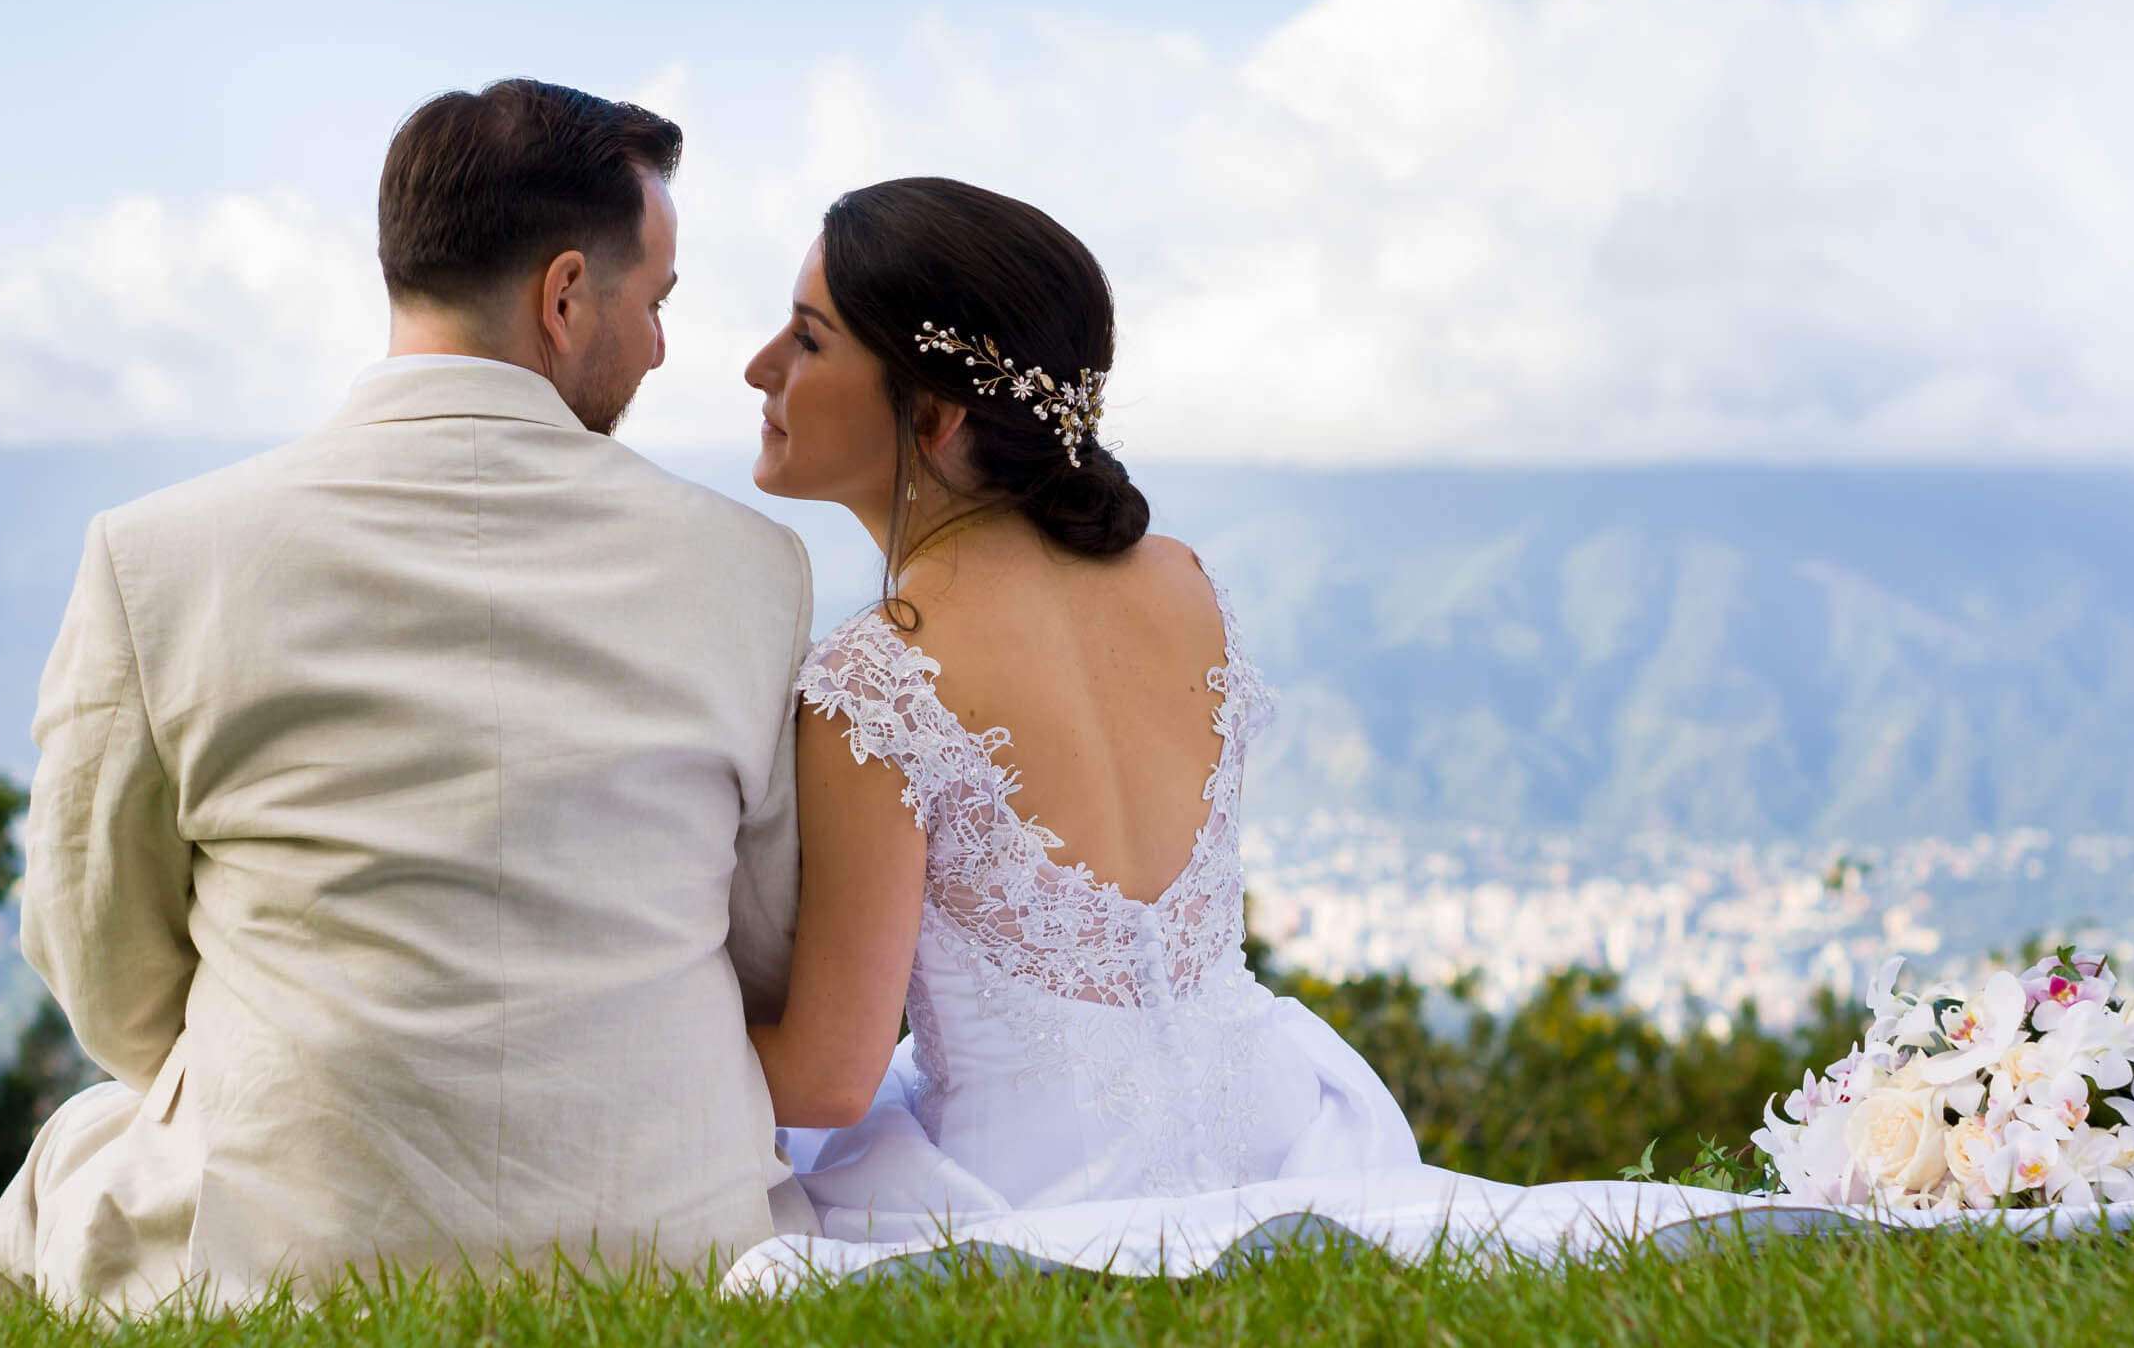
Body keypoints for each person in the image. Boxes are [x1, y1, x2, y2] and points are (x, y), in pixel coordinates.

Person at [730, 178, 1760, 1287]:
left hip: (1024, 1187)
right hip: (1283, 1135)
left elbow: (831, 1079)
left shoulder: (878, 677)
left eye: (807, 337)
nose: (759, 367)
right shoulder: (1180, 583)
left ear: (931, 414)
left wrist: (612, 1030)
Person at [0, 81, 816, 1314]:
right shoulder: (749, 568)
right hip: (667, 1230)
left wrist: (295, 1070)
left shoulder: (157, 556)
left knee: (78, 1151)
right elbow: (767, 954)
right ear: (566, 295)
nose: (663, 347)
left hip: (290, 1243)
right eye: (657, 304)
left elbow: (93, 944)